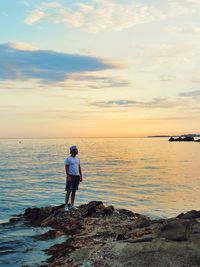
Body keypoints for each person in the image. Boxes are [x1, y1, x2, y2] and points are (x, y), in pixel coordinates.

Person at [64, 145, 82, 211]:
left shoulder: (77, 159)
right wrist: (68, 176)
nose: (77, 150)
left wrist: (81, 176)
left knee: (74, 191)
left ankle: (72, 205)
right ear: (72, 151)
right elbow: (66, 168)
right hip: (70, 176)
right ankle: (66, 206)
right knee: (68, 191)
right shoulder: (68, 159)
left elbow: (79, 168)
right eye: (75, 149)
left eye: (77, 149)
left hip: (77, 176)